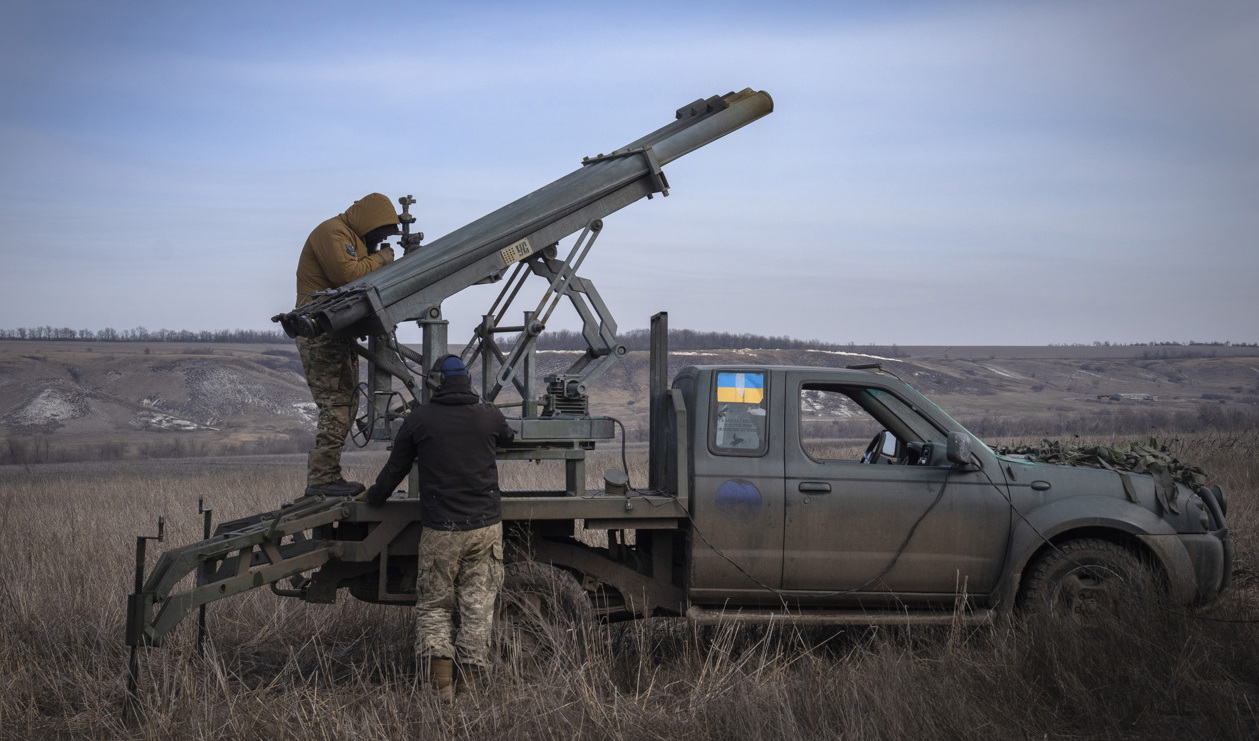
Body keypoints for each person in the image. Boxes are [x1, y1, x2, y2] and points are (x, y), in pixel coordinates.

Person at [362, 355, 515, 700]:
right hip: (485, 529)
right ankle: (469, 689)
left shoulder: (420, 419)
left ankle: (441, 690)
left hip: (441, 531)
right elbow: (508, 438)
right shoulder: (489, 415)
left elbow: (395, 468)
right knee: (478, 608)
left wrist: (375, 497)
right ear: (467, 381)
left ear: (435, 384)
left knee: (434, 607)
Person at [294, 193, 400, 497]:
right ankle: (322, 479)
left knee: (347, 403)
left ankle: (327, 475)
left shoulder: (351, 238)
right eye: (378, 233)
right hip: (319, 332)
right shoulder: (333, 232)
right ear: (368, 222)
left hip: (334, 333)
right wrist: (383, 258)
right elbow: (348, 275)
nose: (377, 240)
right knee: (337, 404)